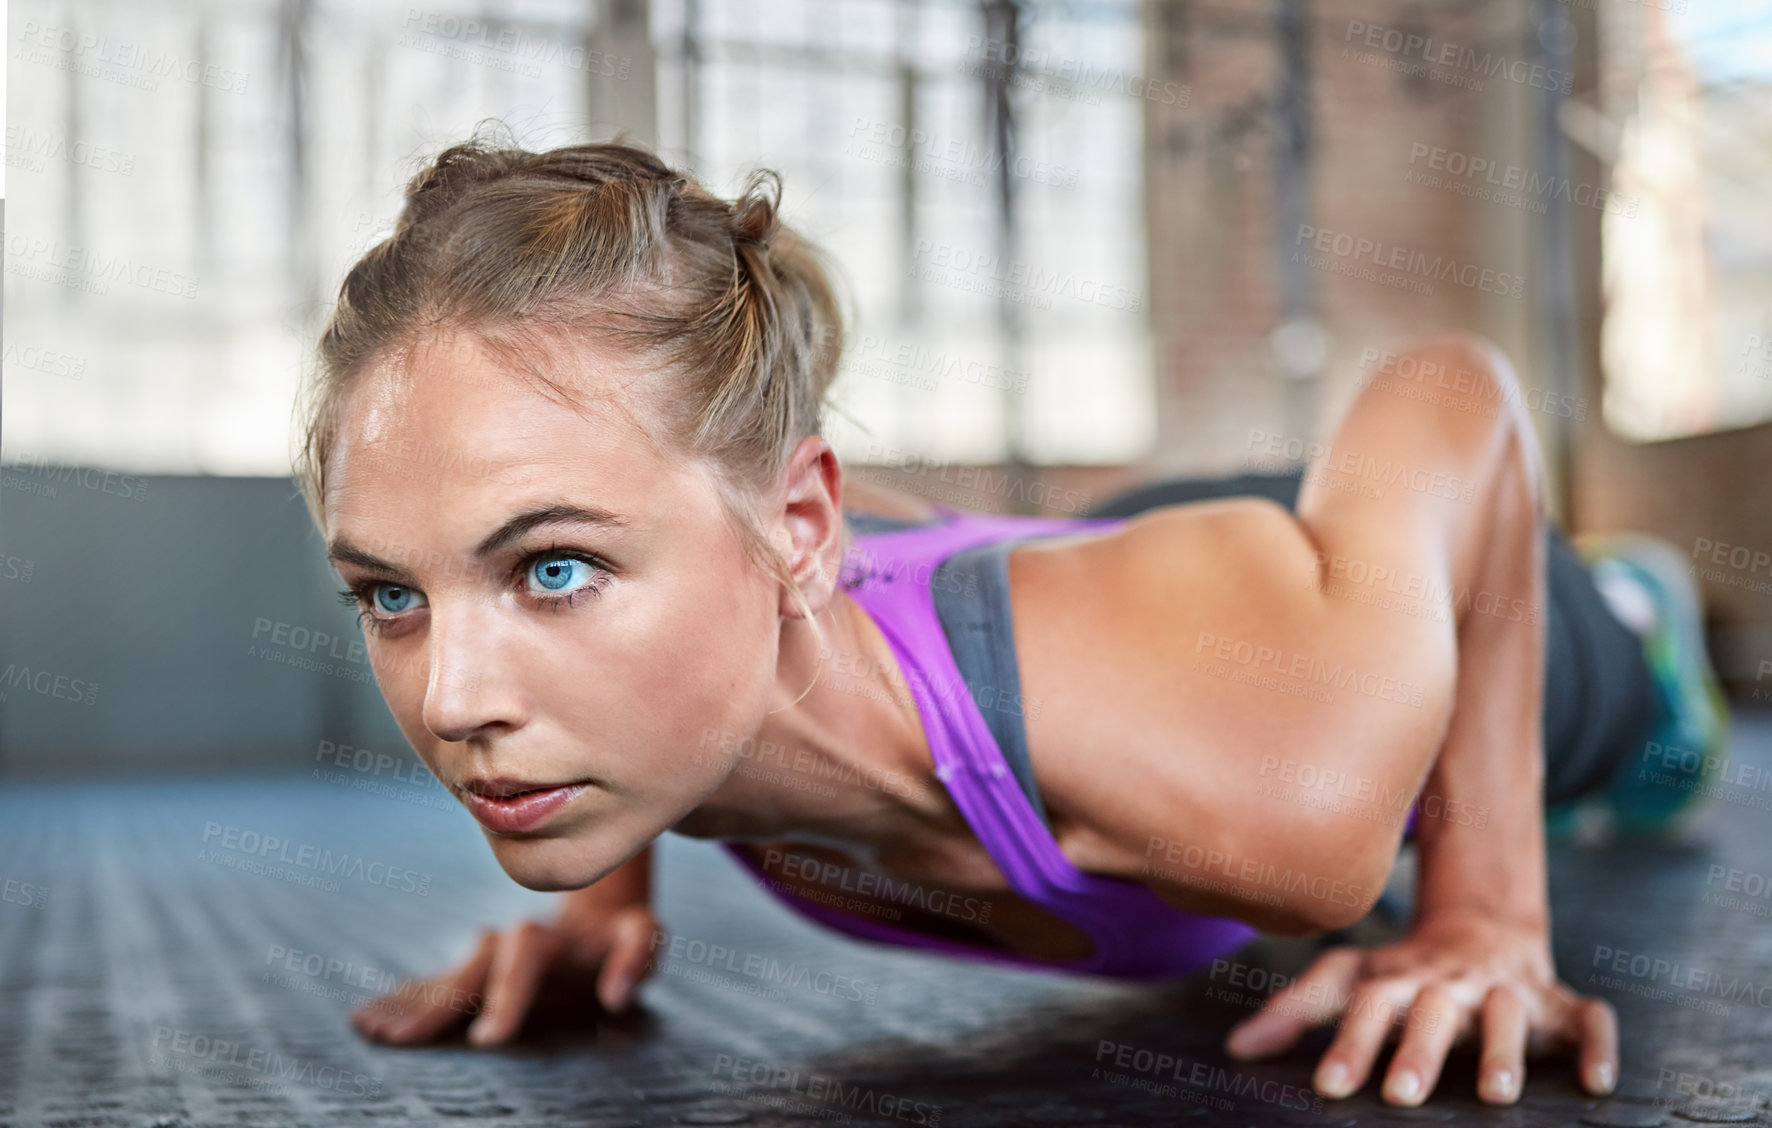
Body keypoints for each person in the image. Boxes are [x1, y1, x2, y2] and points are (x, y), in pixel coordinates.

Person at [297, 128, 1726, 1108]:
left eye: (551, 568)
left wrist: (1486, 915)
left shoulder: (1276, 795)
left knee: (1642, 753)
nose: (450, 701)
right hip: (1129, 567)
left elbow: (1456, 393)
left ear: (797, 531)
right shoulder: (648, 688)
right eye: (391, 594)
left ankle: (1637, 608)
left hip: (1398, 613)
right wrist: (599, 899)